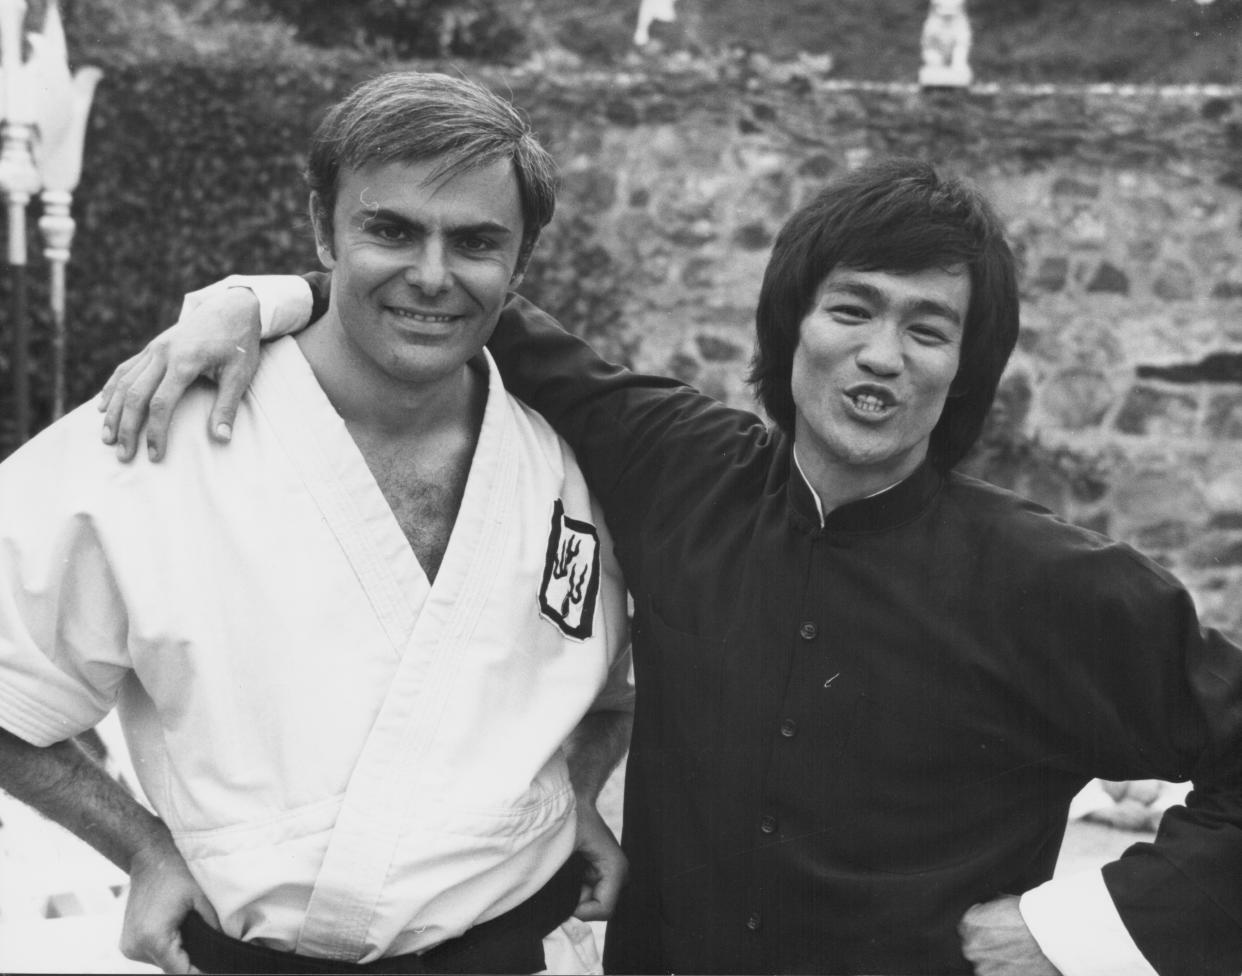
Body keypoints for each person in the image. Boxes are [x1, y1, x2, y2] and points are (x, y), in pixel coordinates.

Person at [98, 158, 1242, 975]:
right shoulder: (683, 466)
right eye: (853, 309)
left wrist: (1077, 933)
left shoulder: (1051, 584)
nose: (881, 356)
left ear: (966, 365)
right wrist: (262, 297)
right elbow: (460, 301)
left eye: (929, 328)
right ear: (794, 322)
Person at [0, 70, 636, 975]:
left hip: (525, 949)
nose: (430, 274)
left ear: (521, 262)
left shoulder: (571, 461)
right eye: (389, 229)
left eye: (476, 242)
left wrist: (574, 793)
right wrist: (138, 844)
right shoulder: (153, 436)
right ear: (320, 230)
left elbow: (618, 686)